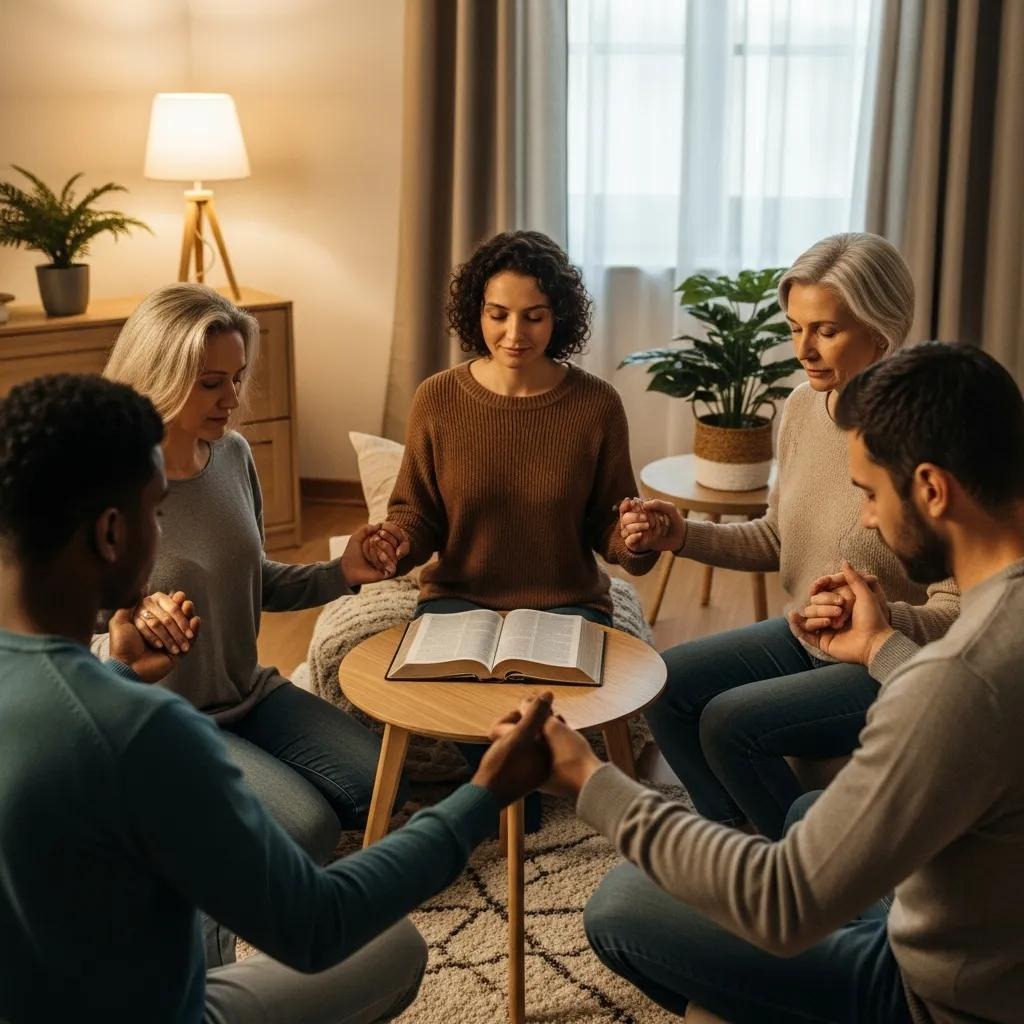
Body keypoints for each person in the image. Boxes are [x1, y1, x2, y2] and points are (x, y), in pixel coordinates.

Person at [0, 372, 557, 1023]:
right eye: (157, 511)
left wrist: (116, 676)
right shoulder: (147, 730)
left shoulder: (100, 703)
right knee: (395, 945)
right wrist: (484, 794)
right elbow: (317, 924)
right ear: (112, 534)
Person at [537, 342, 1024, 1023]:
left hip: (933, 997)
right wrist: (881, 645)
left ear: (933, 488)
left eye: (871, 495)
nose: (870, 521)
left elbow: (783, 905)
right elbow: (980, 714)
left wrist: (591, 780)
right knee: (800, 814)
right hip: (988, 937)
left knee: (620, 905)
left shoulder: (955, 676)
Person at [621, 232, 959, 838]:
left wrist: (881, 623)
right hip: (808, 633)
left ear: (881, 331)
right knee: (664, 683)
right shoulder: (805, 406)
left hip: (886, 657)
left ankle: (799, 878)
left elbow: (965, 608)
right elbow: (779, 537)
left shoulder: (929, 437)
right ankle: (727, 839)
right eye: (796, 326)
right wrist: (682, 536)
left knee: (728, 722)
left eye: (825, 330)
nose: (803, 348)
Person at [101, 283, 408, 874]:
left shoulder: (233, 455)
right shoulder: (102, 490)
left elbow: (254, 579)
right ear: (158, 377)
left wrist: (340, 572)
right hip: (165, 719)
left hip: (248, 693)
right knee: (307, 830)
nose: (232, 397)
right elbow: (60, 644)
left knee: (383, 786)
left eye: (237, 377)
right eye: (211, 383)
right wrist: (127, 625)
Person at [385, 229, 658, 622]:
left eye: (534, 317)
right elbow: (416, 515)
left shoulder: (597, 405)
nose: (514, 335)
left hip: (569, 604)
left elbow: (609, 523)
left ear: (558, 317)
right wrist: (395, 543)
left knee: (572, 688)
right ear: (476, 311)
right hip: (457, 601)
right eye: (498, 315)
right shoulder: (436, 398)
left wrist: (636, 538)